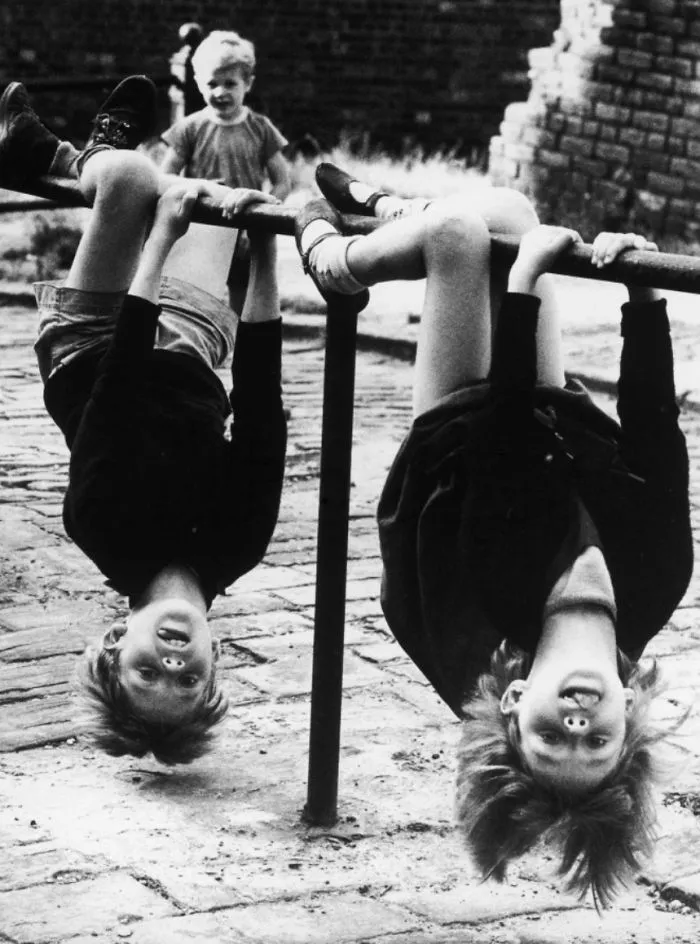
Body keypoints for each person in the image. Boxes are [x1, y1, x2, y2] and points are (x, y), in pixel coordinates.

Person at [296, 163, 693, 907]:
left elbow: (500, 440)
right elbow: (656, 439)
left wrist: (525, 287)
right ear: (629, 717)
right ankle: (392, 205)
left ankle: (333, 261)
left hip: (456, 446)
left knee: (457, 239)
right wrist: (640, 288)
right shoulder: (658, 581)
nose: (576, 725)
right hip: (553, 425)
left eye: (552, 741)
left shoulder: (501, 597)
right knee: (511, 210)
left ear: (513, 704)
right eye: (595, 742)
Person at [0, 77, 287, 764]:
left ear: (113, 645)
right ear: (217, 661)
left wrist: (160, 240)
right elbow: (260, 408)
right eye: (189, 678)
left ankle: (54, 153)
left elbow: (118, 385)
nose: (172, 660)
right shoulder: (239, 541)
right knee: (210, 190)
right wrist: (268, 243)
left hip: (95, 348)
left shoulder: (100, 523)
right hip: (190, 347)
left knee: (133, 180)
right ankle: (73, 154)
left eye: (146, 672)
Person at [160, 30, 291, 315]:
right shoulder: (190, 128)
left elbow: (282, 181)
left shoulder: (260, 128)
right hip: (202, 224)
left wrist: (264, 215)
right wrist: (197, 188)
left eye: (230, 83)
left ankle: (240, 344)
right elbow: (165, 176)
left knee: (243, 292)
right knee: (196, 292)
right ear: (197, 83)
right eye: (212, 84)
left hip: (245, 225)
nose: (220, 92)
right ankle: (198, 344)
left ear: (248, 84)